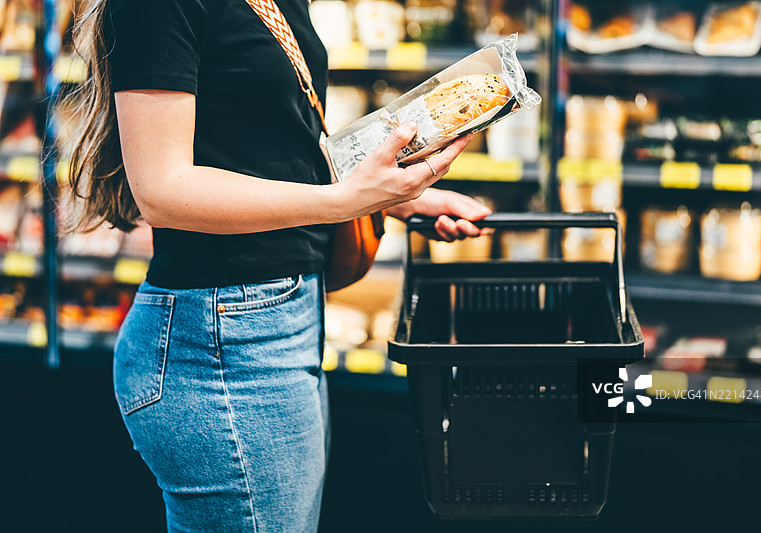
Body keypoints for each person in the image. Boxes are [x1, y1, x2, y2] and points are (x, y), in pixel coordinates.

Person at [62, 0, 492, 531]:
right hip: (221, 341)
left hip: (280, 321)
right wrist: (347, 202)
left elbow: (271, 142)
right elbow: (163, 191)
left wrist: (398, 198)